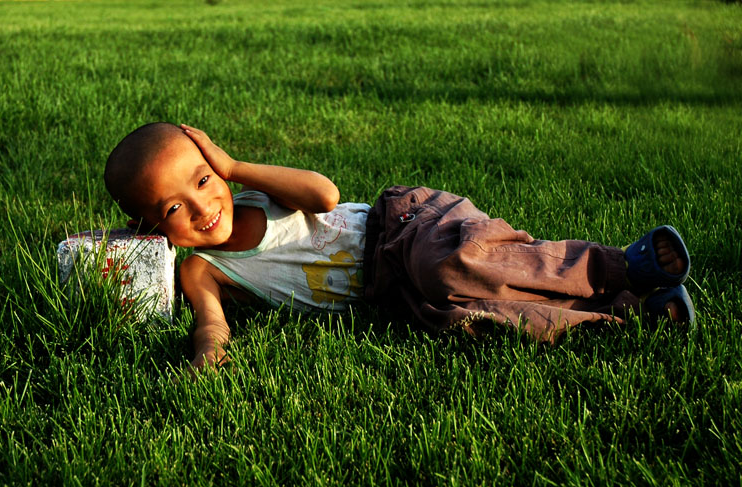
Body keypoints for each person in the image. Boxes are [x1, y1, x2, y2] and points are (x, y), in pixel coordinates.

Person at [104, 122, 695, 372]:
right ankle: (620, 314)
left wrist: (234, 166)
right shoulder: (203, 269)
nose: (203, 208)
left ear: (217, 169)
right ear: (148, 229)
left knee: (456, 266)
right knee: (469, 317)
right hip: (392, 293)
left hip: (404, 230)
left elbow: (326, 194)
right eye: (173, 209)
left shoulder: (255, 193)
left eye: (202, 180)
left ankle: (621, 263)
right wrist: (207, 355)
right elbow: (211, 323)